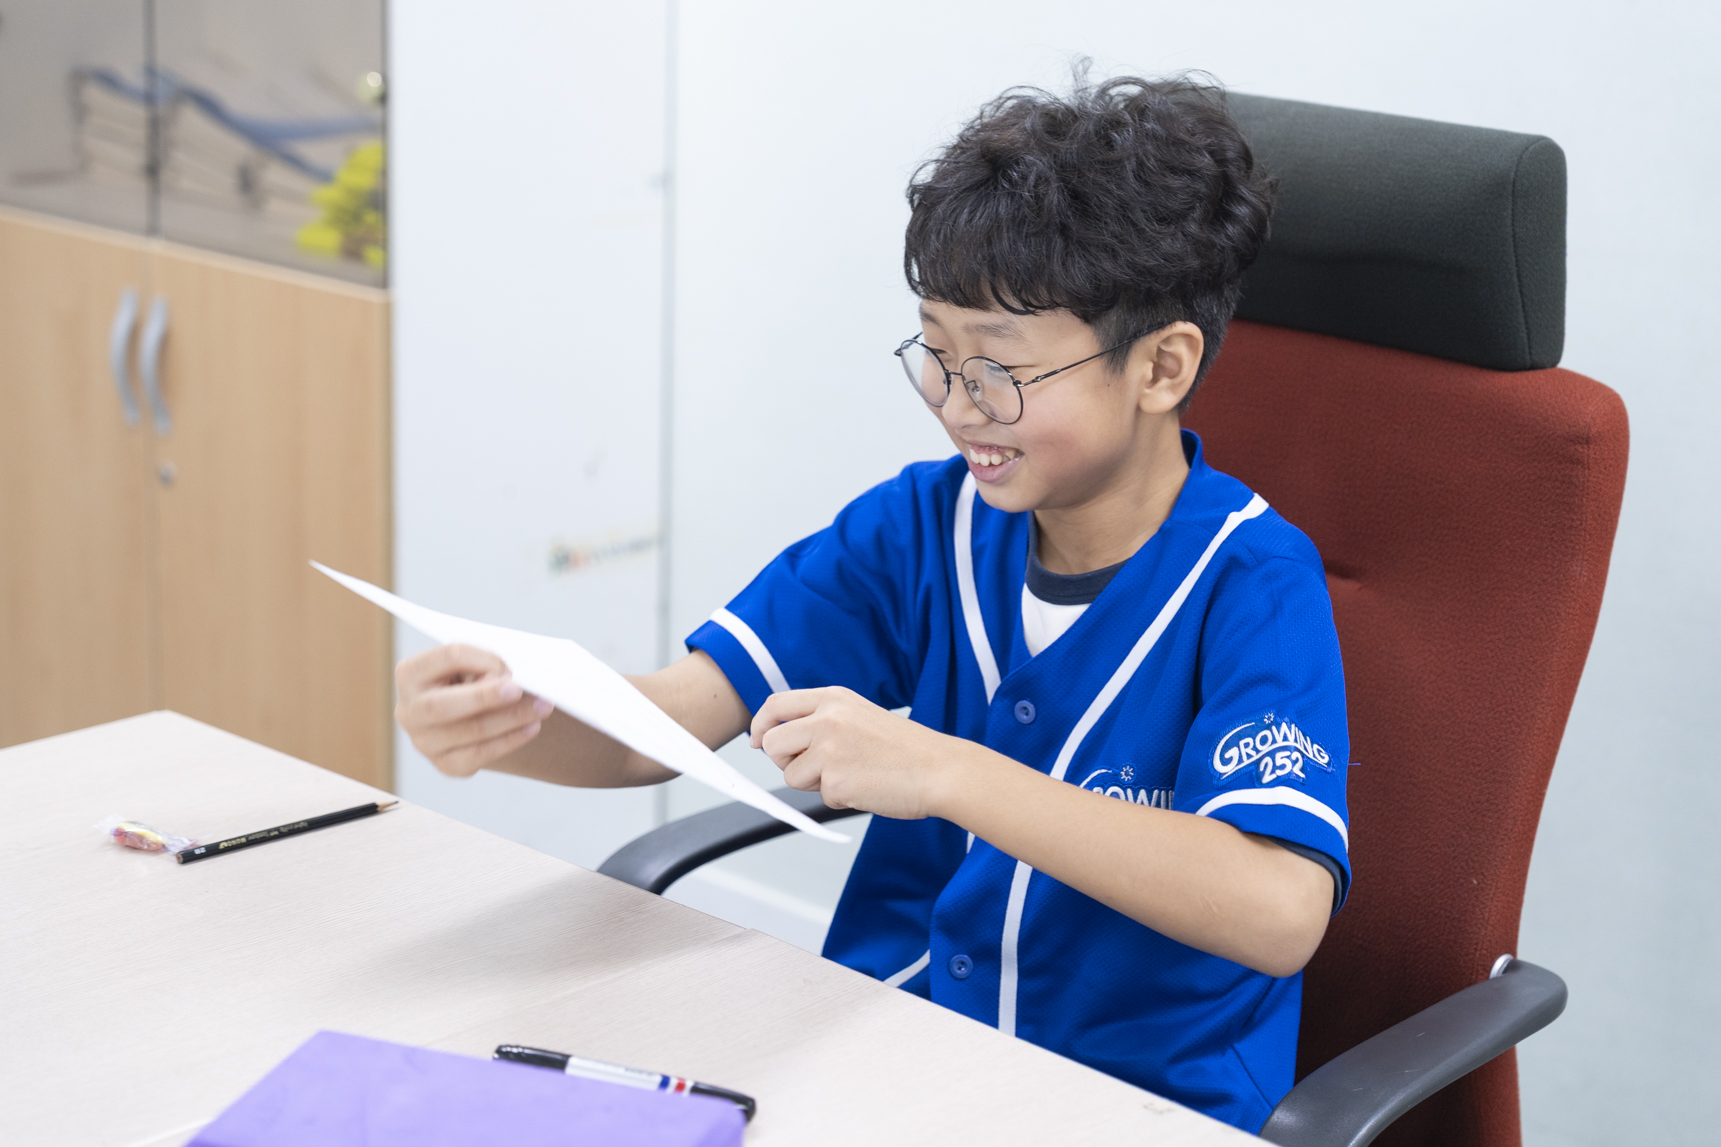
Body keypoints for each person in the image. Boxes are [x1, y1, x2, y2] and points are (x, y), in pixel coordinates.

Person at [395, 73, 1349, 1133]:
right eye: (934, 353)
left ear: (1159, 366)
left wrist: (943, 771)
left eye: (997, 367)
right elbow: (661, 726)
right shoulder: (919, 528)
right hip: (892, 1059)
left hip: (1132, 1105)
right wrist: (513, 715)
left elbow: (1277, 909)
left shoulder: (1252, 582)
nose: (955, 404)